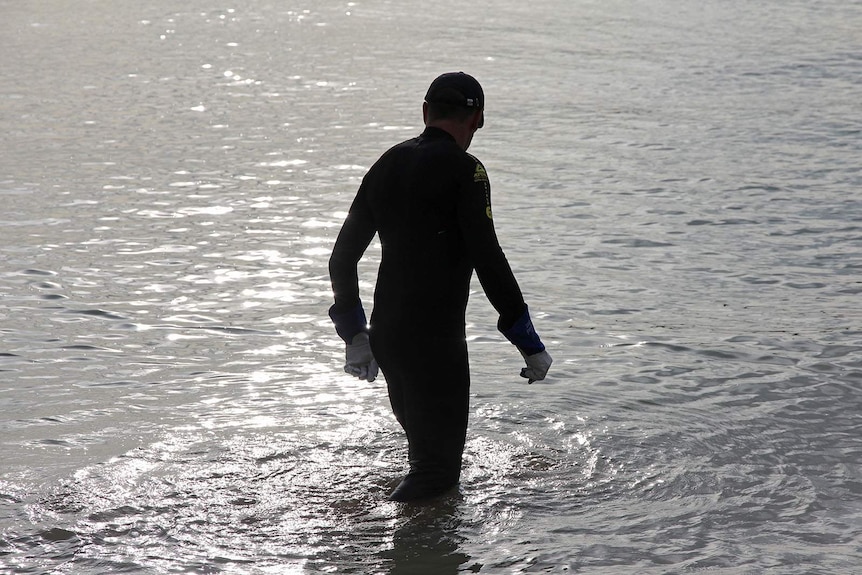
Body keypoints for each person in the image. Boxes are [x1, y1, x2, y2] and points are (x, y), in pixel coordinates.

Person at [328, 71, 552, 502]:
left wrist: (356, 335)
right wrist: (528, 341)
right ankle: (390, 551)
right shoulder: (467, 172)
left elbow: (341, 259)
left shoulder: (387, 162)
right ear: (478, 120)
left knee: (427, 460)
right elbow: (488, 259)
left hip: (387, 337)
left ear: (426, 113)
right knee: (436, 475)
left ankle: (395, 547)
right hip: (435, 343)